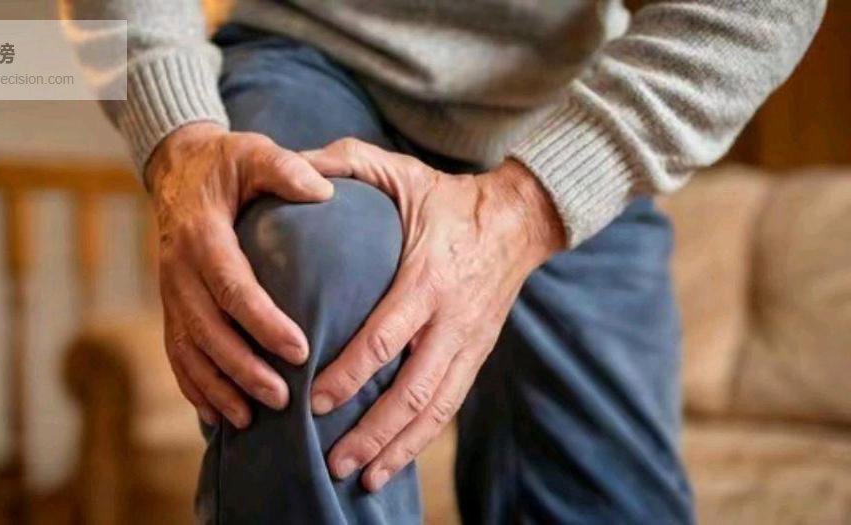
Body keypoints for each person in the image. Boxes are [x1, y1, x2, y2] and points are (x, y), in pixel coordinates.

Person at [61, 1, 825, 523]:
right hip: (306, 49)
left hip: (565, 97)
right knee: (313, 265)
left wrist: (526, 208)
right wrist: (180, 142)